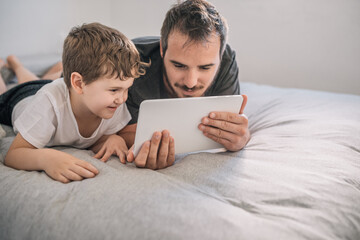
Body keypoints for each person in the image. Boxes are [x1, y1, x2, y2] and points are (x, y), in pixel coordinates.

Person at [0, 22, 149, 183]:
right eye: (114, 90)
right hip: (21, 98)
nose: (123, 98)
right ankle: (10, 67)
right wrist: (47, 158)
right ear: (78, 84)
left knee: (36, 81)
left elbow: (95, 140)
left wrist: (112, 139)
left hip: (60, 89)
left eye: (127, 89)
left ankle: (16, 65)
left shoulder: (114, 104)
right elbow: (14, 155)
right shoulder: (48, 103)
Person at [121, 0, 250, 169]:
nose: (191, 82)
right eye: (179, 65)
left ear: (220, 57)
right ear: (162, 49)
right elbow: (117, 131)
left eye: (205, 67)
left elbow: (231, 123)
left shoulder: (226, 58)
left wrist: (241, 136)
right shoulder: (129, 62)